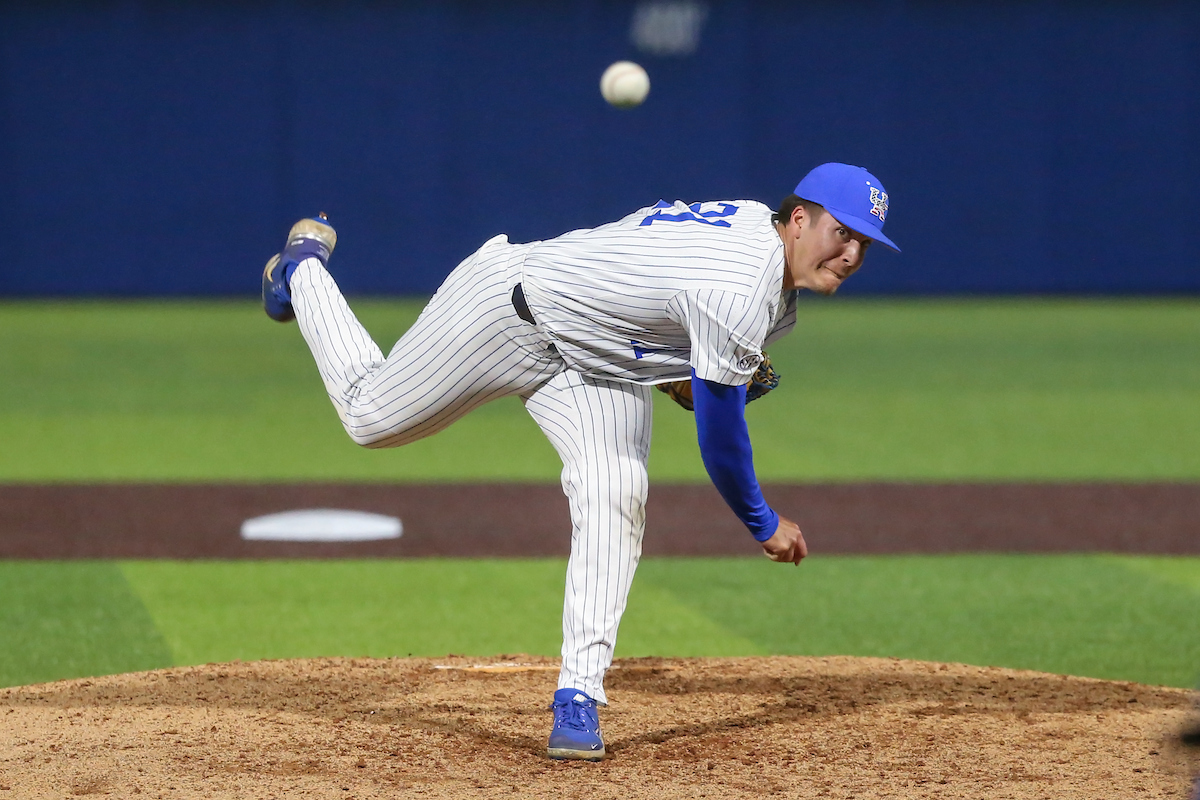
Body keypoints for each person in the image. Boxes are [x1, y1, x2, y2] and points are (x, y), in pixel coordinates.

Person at [261, 162, 900, 761]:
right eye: (841, 232)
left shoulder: (760, 256)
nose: (850, 254)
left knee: (617, 488)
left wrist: (674, 359)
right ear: (797, 219)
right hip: (505, 310)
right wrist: (763, 521)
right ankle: (305, 271)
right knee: (370, 417)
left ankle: (578, 698)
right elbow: (721, 439)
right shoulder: (739, 284)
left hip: (595, 362)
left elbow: (652, 276)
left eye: (864, 244)